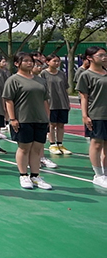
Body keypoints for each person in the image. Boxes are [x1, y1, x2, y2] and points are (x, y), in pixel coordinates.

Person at [3, 52, 53, 190]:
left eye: (31, 61)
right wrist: (12, 119)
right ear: (17, 64)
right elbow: (9, 101)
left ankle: (35, 176)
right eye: (25, 61)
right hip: (23, 119)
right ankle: (23, 175)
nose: (29, 63)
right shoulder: (13, 80)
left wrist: (47, 118)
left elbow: (45, 100)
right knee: (24, 148)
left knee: (37, 149)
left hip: (40, 119)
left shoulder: (40, 80)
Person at [75, 46, 107, 189]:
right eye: (100, 55)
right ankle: (98, 175)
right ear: (89, 58)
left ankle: (105, 172)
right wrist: (85, 115)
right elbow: (84, 97)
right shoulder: (86, 75)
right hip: (97, 114)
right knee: (97, 144)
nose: (104, 58)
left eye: (105, 55)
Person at [42, 55, 71, 156]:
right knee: (52, 124)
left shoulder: (62, 74)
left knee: (61, 124)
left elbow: (65, 89)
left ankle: (60, 144)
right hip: (51, 103)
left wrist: (67, 102)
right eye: (54, 61)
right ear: (47, 62)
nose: (57, 63)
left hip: (62, 103)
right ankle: (52, 144)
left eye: (58, 61)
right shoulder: (43, 74)